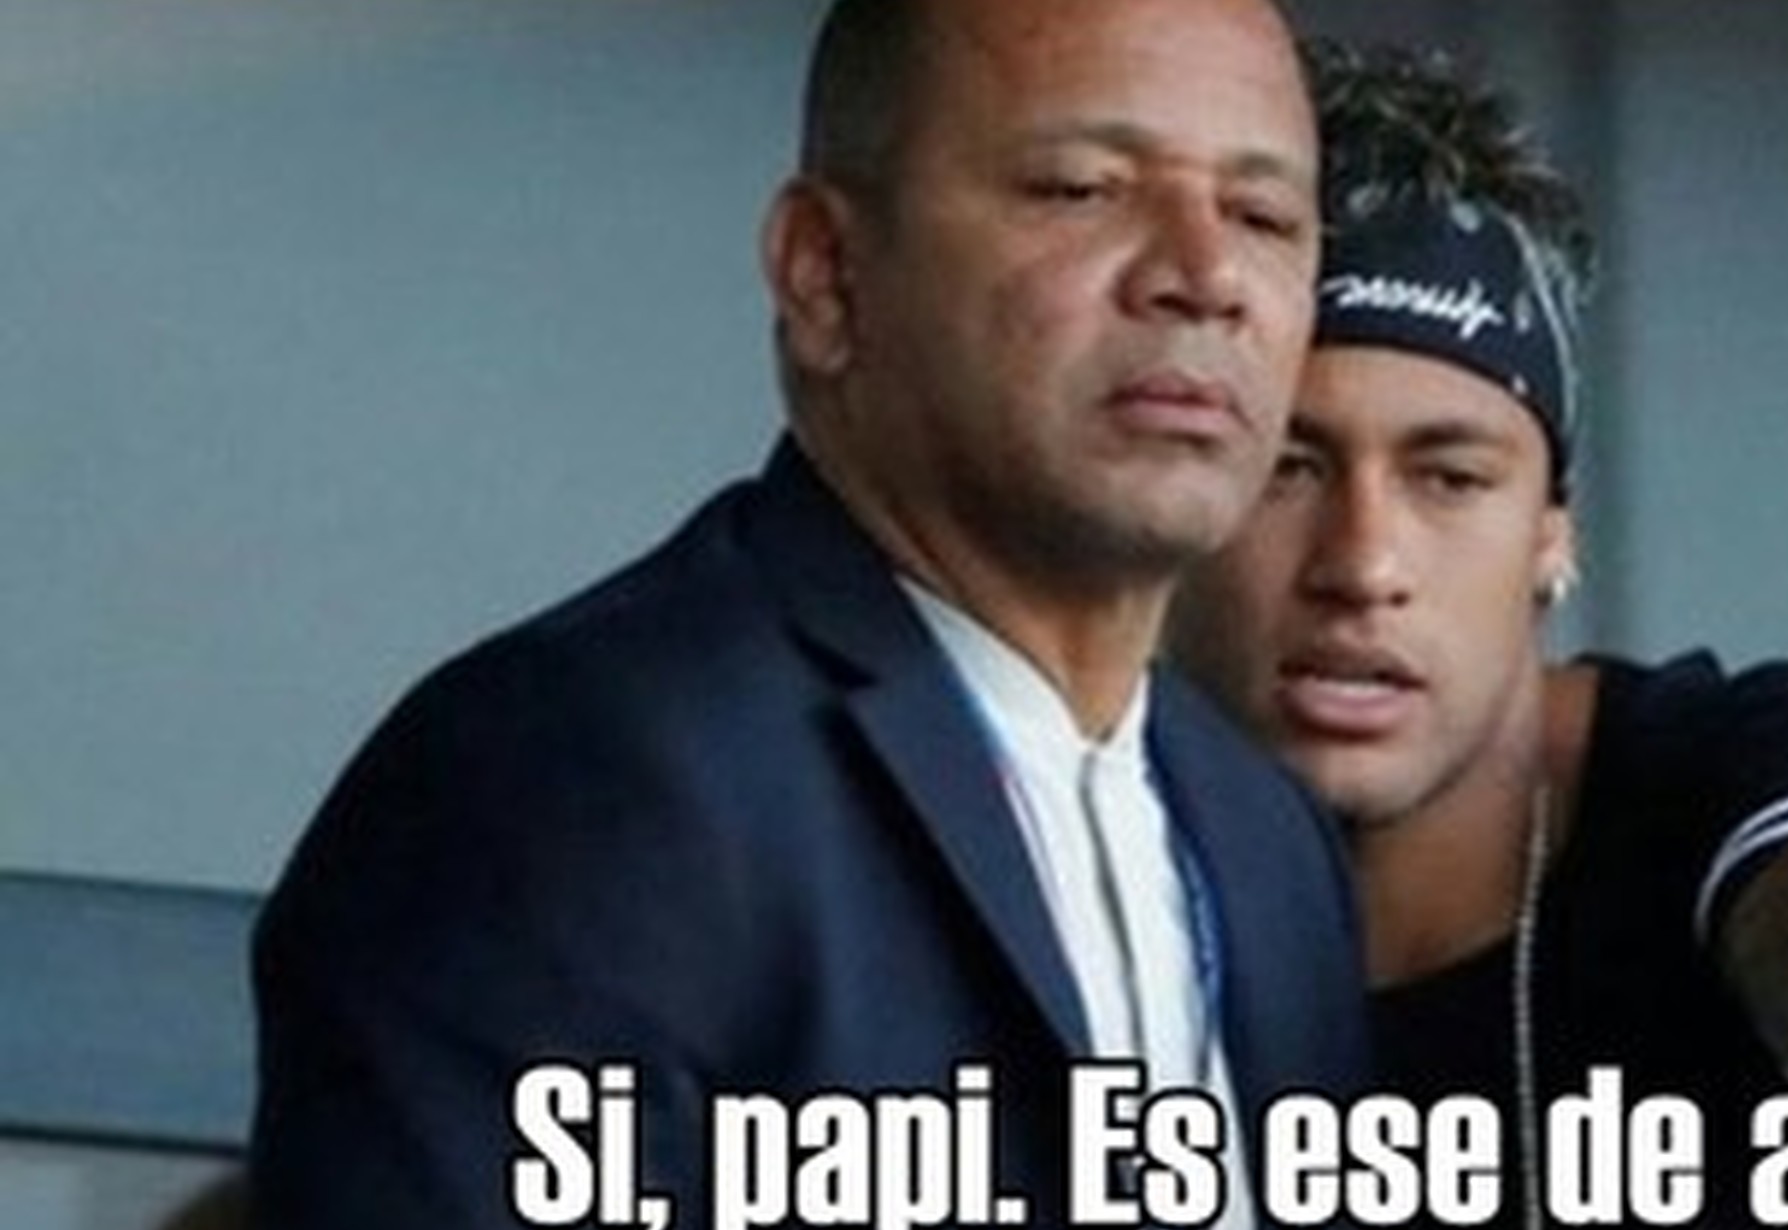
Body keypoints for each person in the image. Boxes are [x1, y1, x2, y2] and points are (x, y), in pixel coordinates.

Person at [248, 2, 1367, 1227]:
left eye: (1264, 217)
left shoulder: (1267, 841)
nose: (1204, 279)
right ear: (824, 273)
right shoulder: (574, 776)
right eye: (1081, 189)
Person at [1169, 42, 1788, 1228]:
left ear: (1551, 534)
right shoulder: (1069, 846)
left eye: (1449, 477)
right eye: (1289, 467)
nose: (1363, 565)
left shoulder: (1713, 764)